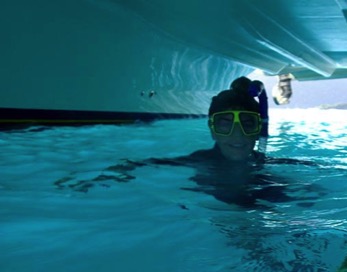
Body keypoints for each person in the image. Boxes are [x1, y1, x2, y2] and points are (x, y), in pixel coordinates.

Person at [57, 76, 320, 208]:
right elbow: (140, 164)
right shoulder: (200, 160)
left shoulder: (268, 167)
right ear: (212, 130)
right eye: (225, 124)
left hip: (263, 199)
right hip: (222, 209)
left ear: (258, 130)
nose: (237, 135)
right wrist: (102, 177)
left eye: (248, 124)